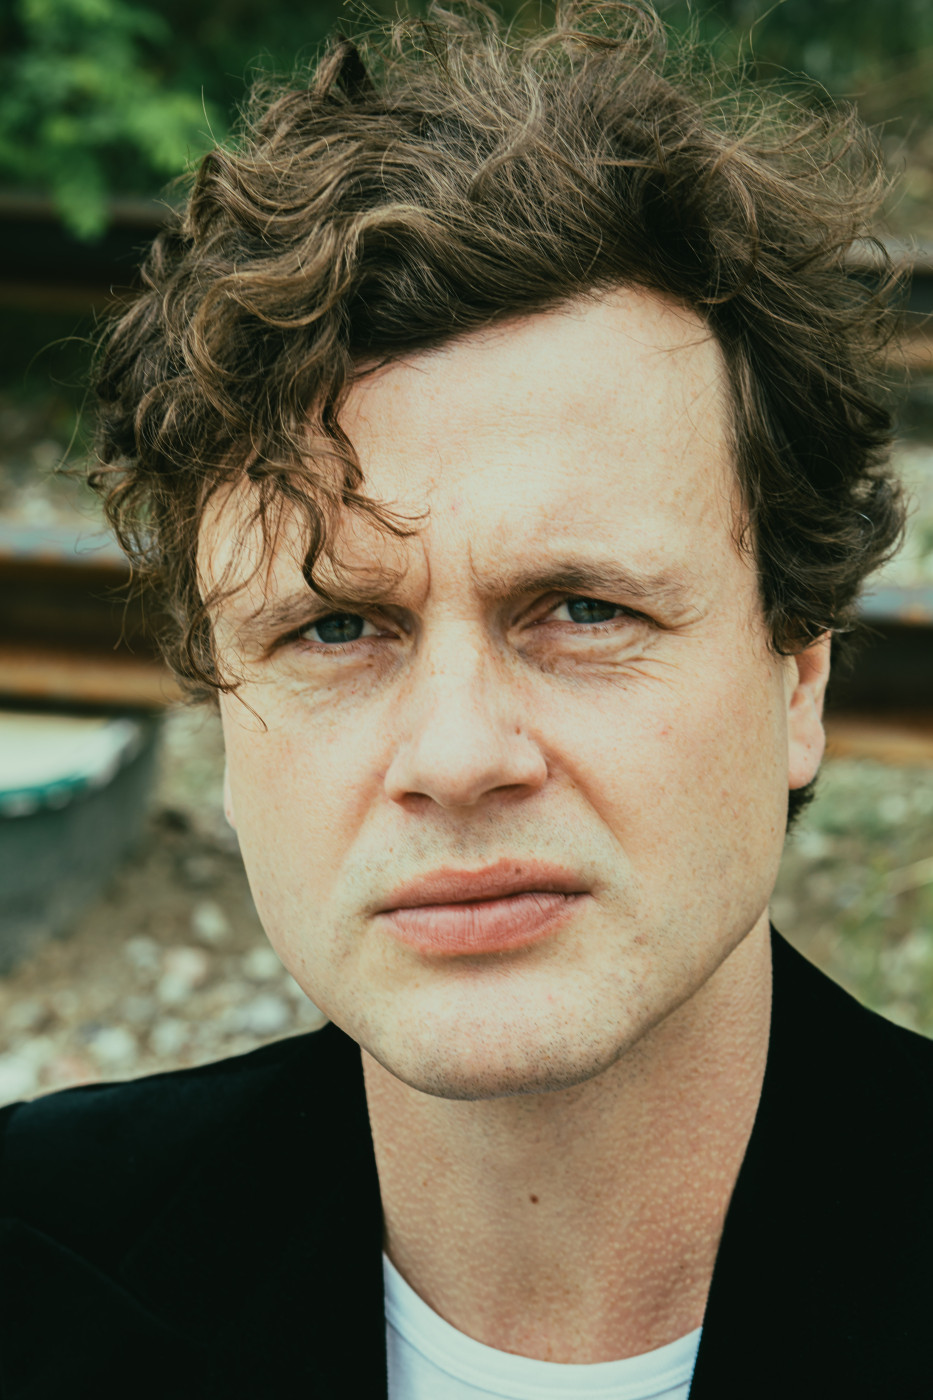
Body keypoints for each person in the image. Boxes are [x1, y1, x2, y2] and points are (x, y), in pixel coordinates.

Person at [1, 4, 928, 1396]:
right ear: (221, 712)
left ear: (798, 673)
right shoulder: (31, 1267)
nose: (454, 753)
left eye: (583, 610)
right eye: (332, 627)